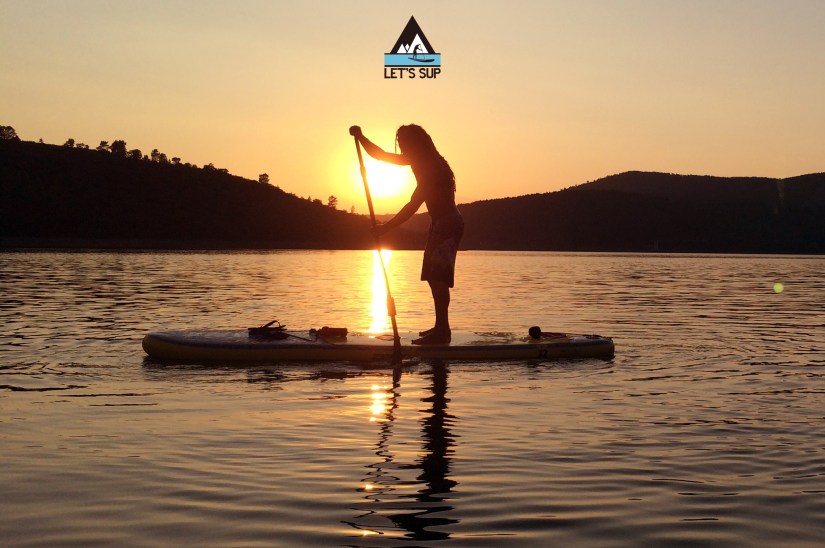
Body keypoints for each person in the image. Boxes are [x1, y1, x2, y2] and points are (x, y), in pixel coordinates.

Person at [350, 124, 463, 345]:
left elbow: (413, 205)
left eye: (405, 140)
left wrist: (387, 227)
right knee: (433, 277)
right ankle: (441, 327)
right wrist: (361, 137)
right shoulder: (421, 160)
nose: (401, 144)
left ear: (418, 142)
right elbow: (380, 156)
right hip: (440, 223)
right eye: (399, 140)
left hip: (448, 224)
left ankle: (443, 331)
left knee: (438, 278)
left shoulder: (431, 166)